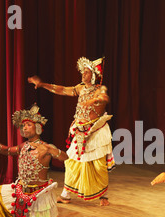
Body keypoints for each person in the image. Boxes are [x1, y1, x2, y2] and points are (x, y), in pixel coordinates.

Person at [28, 57, 115, 206]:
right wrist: (43, 85)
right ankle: (65, 195)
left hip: (96, 131)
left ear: (94, 75)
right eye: (83, 72)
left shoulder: (101, 89)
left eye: (87, 72)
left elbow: (104, 97)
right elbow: (62, 90)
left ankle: (104, 197)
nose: (83, 75)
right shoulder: (80, 88)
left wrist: (93, 101)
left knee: (98, 165)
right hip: (79, 131)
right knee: (71, 162)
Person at [0, 104, 68, 217]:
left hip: (38, 194)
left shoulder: (46, 147)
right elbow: (6, 150)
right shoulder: (23, 146)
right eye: (23, 126)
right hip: (20, 190)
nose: (24, 128)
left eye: (28, 125)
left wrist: (52, 150)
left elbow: (65, 158)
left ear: (38, 128)